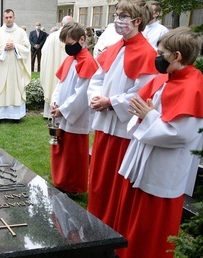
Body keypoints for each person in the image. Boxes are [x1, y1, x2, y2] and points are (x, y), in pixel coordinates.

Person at [114, 27, 203, 258]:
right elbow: (143, 107)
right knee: (132, 214)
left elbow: (182, 134)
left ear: (177, 56)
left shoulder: (193, 86)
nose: (157, 57)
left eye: (162, 53)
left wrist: (149, 117)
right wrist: (145, 115)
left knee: (151, 224)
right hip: (143, 155)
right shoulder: (167, 78)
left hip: (164, 166)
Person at [87, 0, 158, 229]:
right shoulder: (117, 46)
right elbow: (98, 76)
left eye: (123, 16)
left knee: (113, 180)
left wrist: (111, 102)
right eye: (116, 14)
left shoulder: (147, 52)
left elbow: (144, 91)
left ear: (137, 21)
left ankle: (110, 224)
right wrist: (96, 96)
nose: (117, 20)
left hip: (122, 128)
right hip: (104, 123)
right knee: (99, 177)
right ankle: (94, 218)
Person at [50, 22, 98, 194]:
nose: (68, 48)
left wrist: (63, 109)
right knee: (61, 149)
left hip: (76, 115)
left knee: (73, 153)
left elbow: (82, 94)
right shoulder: (70, 59)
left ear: (82, 39)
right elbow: (60, 83)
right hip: (62, 111)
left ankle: (72, 185)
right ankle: (60, 180)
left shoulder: (88, 62)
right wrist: (55, 102)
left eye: (70, 44)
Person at [0, 9, 31, 123]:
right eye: (6, 17)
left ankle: (15, 116)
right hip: (1, 66)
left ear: (14, 18)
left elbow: (27, 48)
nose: (8, 19)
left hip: (15, 68)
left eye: (10, 17)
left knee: (14, 89)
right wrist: (3, 47)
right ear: (3, 18)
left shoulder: (21, 32)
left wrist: (15, 46)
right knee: (0, 88)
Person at [40, 16, 73, 118]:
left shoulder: (52, 36)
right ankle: (62, 111)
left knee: (52, 85)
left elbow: (43, 52)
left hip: (52, 68)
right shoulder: (71, 37)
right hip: (65, 69)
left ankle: (48, 113)